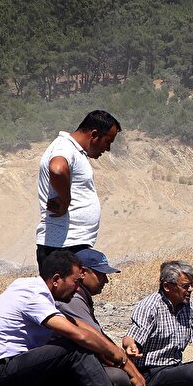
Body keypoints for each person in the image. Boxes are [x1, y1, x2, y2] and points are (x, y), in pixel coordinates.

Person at [0, 250, 156, 386]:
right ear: (57, 279)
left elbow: (78, 325)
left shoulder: (36, 292)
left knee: (73, 368)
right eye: (75, 282)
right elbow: (79, 335)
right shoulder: (32, 294)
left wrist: (117, 354)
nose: (77, 288)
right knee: (74, 349)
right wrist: (118, 357)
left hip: (9, 366)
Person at [56, 248, 170, 386]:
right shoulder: (72, 299)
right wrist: (128, 368)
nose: (106, 281)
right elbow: (95, 342)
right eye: (101, 274)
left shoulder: (81, 296)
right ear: (82, 273)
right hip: (69, 368)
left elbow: (99, 337)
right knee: (119, 378)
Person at [35, 110, 121, 268]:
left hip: (70, 244)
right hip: (63, 246)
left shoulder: (73, 150)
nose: (108, 148)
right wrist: (65, 201)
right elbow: (57, 169)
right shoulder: (64, 147)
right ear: (94, 134)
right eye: (107, 141)